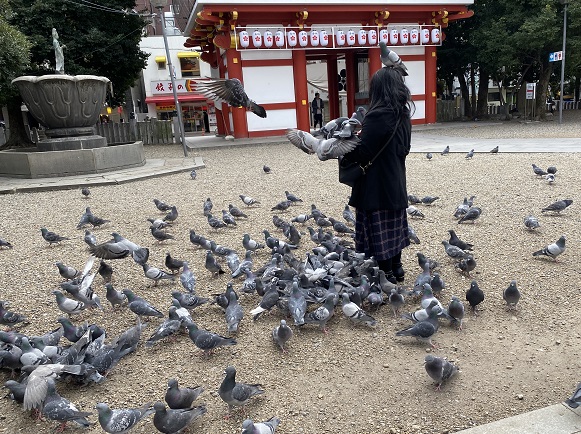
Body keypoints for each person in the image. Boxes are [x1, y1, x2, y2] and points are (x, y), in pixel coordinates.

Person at [343, 66, 413, 284]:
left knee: (379, 228)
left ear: (379, 89)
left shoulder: (376, 116)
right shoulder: (403, 115)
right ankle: (397, 268)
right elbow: (405, 148)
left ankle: (385, 275)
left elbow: (364, 151)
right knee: (394, 226)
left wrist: (344, 145)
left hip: (375, 184)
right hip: (396, 180)